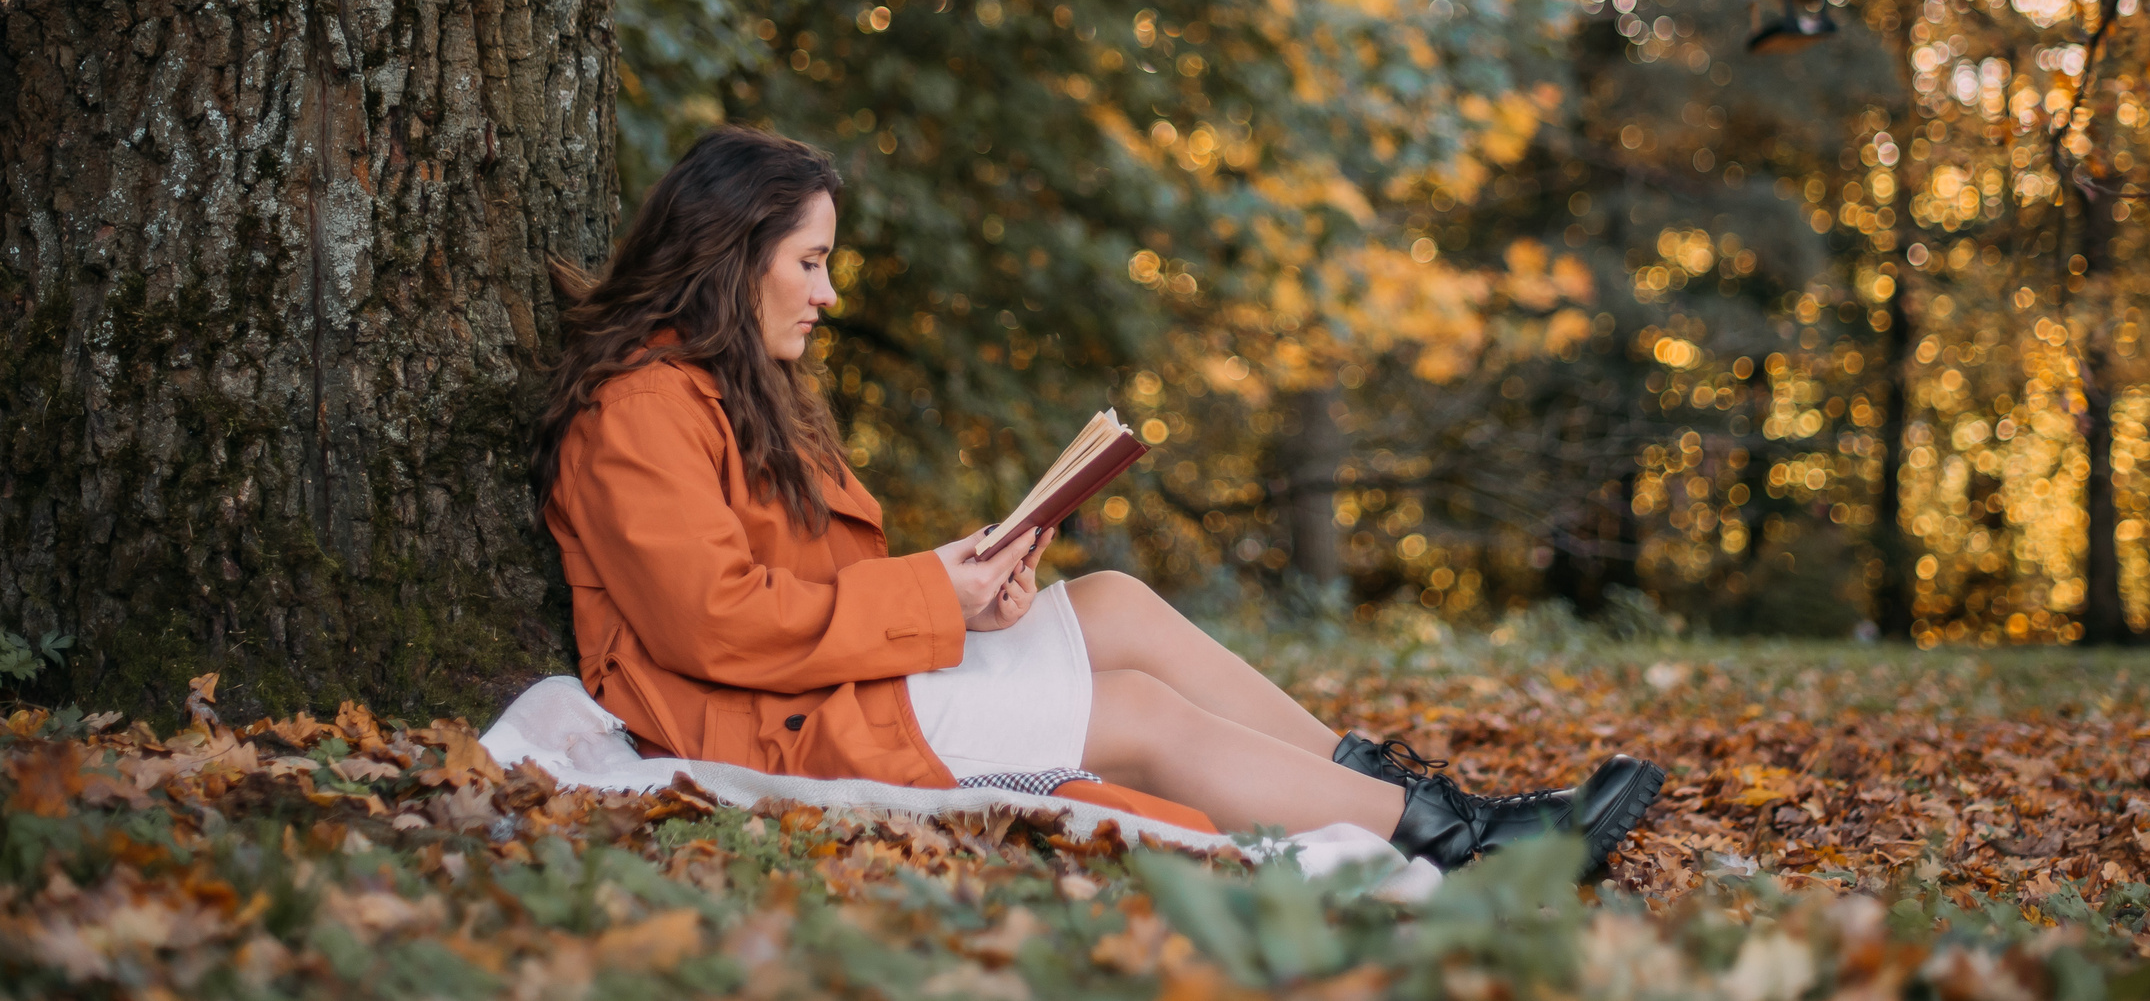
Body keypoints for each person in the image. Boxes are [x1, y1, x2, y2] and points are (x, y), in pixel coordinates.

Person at [535, 125, 1663, 872]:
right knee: (1138, 711)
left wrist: (970, 584)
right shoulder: (640, 408)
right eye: (810, 261)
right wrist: (936, 593)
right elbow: (713, 621)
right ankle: (1473, 844)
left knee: (1111, 600)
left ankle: (1402, 790)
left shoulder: (739, 386)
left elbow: (806, 587)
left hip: (820, 674)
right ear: (733, 254)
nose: (829, 292)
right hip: (760, 719)